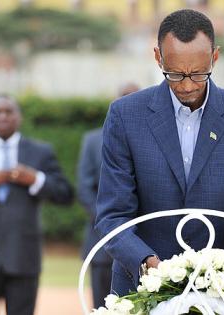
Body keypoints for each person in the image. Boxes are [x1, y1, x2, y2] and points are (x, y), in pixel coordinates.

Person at [95, 9, 224, 296]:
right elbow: (112, 216)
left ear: (215, 57)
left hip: (222, 296)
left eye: (199, 73)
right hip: (139, 290)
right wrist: (148, 265)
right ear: (158, 57)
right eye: (175, 74)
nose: (188, 85)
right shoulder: (125, 116)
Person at [0, 94, 73, 315]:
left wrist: (35, 179)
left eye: (9, 111)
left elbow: (65, 194)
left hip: (23, 257)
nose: (3, 116)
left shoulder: (40, 152)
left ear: (19, 117)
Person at [77, 82, 139, 308]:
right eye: (124, 97)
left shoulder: (154, 140)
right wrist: (110, 223)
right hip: (102, 243)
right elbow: (84, 188)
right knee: (101, 307)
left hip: (146, 245)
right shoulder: (92, 140)